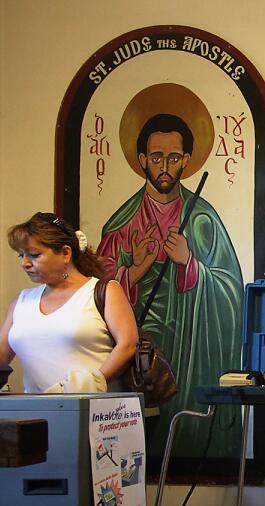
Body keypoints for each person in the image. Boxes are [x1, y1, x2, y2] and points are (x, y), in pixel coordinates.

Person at [97, 112, 244, 458]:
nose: (165, 166)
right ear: (142, 161)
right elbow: (95, 296)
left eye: (174, 158)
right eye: (157, 157)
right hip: (138, 358)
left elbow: (231, 291)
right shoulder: (121, 226)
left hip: (190, 351)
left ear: (187, 162)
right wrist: (133, 271)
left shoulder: (203, 219)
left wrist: (188, 263)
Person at [0, 213, 138, 393]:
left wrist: (93, 382)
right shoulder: (22, 300)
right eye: (21, 255)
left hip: (95, 411)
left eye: (34, 255)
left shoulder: (103, 291)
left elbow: (128, 344)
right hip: (40, 412)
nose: (24, 263)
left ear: (66, 253)